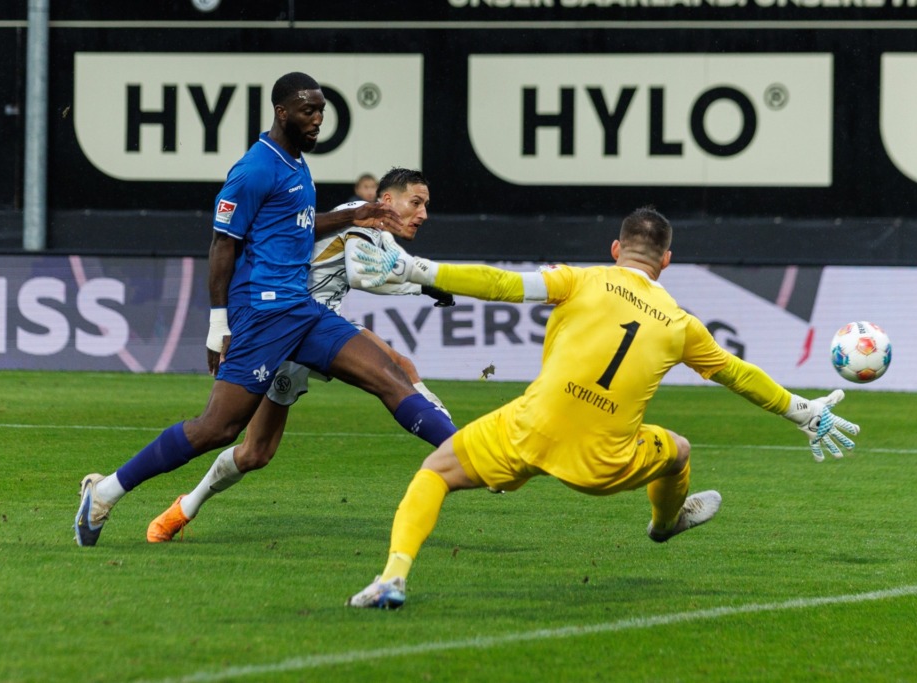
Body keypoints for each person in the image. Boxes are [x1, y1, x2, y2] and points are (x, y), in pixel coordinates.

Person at [343, 206, 860, 609]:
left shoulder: (580, 279)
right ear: (666, 261)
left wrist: (416, 268)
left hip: (531, 429)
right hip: (604, 460)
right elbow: (738, 373)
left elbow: (501, 284)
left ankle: (392, 578)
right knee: (678, 451)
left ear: (616, 249)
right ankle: (666, 523)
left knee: (435, 472)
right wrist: (803, 411)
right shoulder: (681, 325)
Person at [74, 72, 456, 547]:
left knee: (390, 374)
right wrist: (218, 324)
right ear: (282, 112)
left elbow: (298, 225)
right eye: (308, 111)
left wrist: (350, 215)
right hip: (263, 313)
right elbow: (221, 244)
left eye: (321, 112)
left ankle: (469, 453)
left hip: (303, 311)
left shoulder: (296, 165)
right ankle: (105, 492)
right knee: (218, 429)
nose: (317, 120)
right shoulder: (255, 168)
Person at [144, 168, 458, 543]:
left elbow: (394, 268)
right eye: (416, 203)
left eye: (425, 205)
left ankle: (464, 448)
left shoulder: (382, 236)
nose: (423, 214)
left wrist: (427, 286)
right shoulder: (358, 215)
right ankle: (184, 506)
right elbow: (362, 274)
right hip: (286, 330)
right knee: (253, 450)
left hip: (318, 326)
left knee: (398, 369)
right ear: (387, 201)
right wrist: (424, 285)